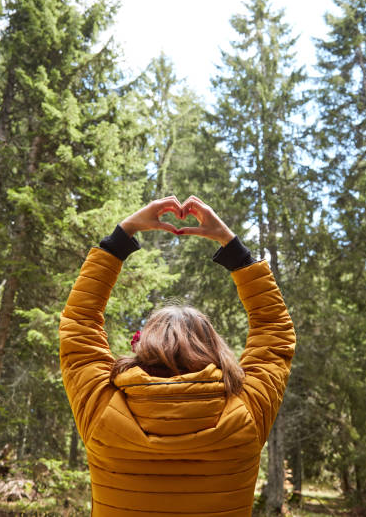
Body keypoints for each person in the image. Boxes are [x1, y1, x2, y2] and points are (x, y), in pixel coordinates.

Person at [60, 195, 296, 517]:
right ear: (213, 348)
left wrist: (123, 234)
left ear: (145, 346)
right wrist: (233, 247)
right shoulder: (245, 415)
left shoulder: (103, 411)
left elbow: (79, 324)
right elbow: (274, 332)